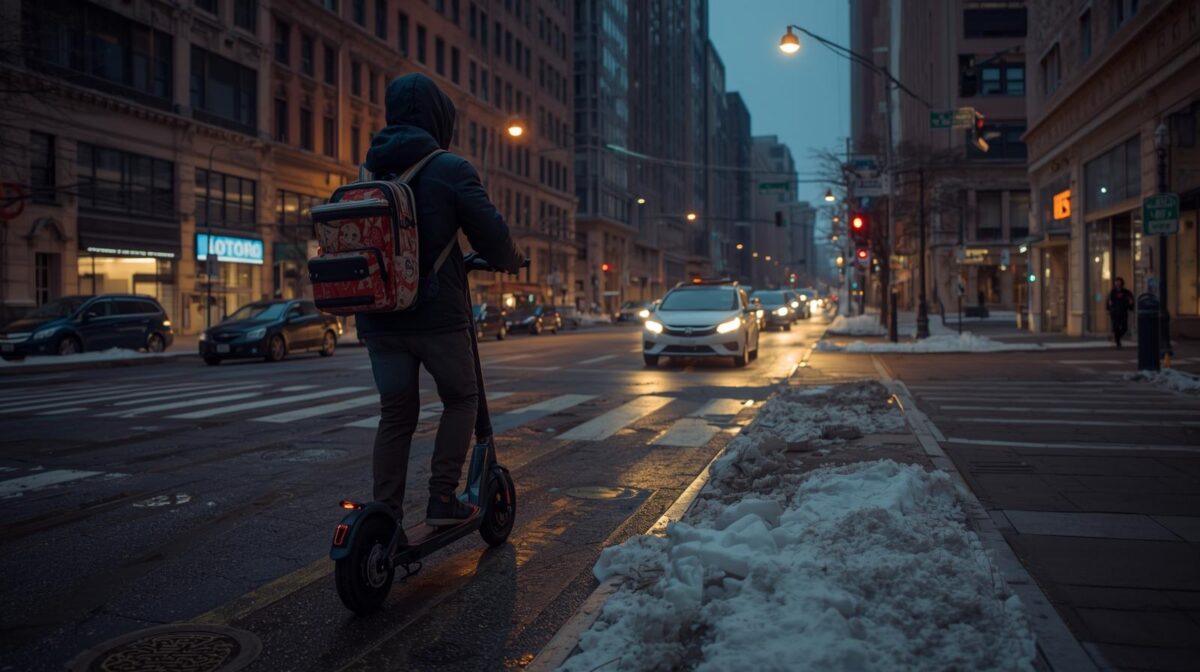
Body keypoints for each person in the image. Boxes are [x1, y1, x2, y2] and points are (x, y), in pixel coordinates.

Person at [357, 74, 524, 530]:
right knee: (461, 397)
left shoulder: (368, 170)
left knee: (396, 414)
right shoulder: (450, 168)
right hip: (437, 317)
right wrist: (511, 260)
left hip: (379, 319)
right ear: (439, 120)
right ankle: (441, 497)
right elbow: (490, 233)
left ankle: (384, 516)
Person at [1106, 277, 1135, 348]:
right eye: (1116, 282)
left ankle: (1117, 338)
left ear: (1122, 283)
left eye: (1119, 282)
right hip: (1115, 312)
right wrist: (1109, 308)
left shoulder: (1126, 292)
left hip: (1123, 311)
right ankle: (1118, 341)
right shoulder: (1113, 292)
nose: (1117, 283)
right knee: (1116, 327)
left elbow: (1130, 300)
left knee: (1124, 327)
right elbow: (1109, 301)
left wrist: (1131, 306)